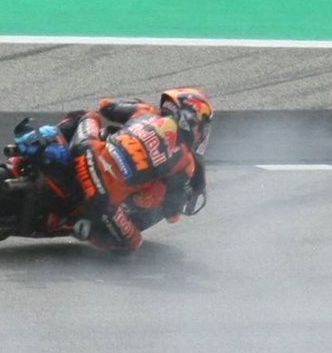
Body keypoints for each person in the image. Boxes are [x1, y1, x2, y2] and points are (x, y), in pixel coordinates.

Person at [13, 88, 212, 253]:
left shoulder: (145, 112)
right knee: (131, 244)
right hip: (101, 198)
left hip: (85, 152)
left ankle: (36, 144)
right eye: (201, 126)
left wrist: (133, 104)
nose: (201, 132)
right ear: (192, 120)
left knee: (86, 116)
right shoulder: (184, 161)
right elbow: (172, 208)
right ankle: (74, 225)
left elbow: (105, 107)